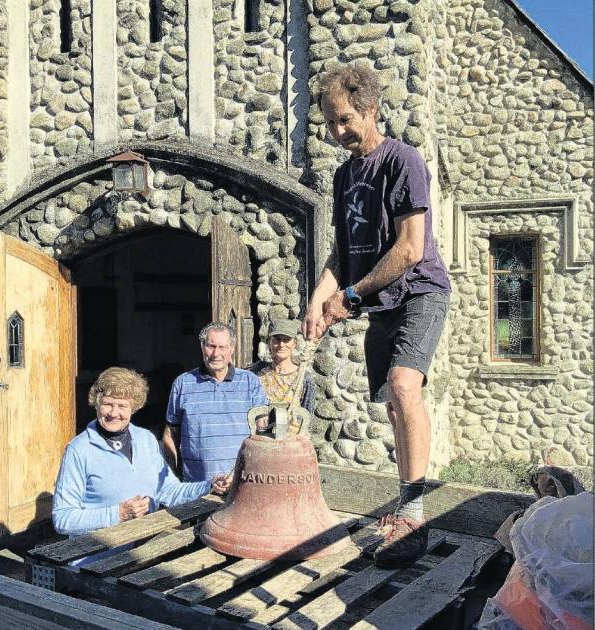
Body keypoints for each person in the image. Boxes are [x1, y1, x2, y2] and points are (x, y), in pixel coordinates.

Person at [303, 64, 451, 568]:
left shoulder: (403, 161)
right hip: (378, 302)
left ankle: (414, 514)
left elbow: (409, 250)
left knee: (406, 386)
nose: (336, 132)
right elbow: (341, 255)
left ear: (370, 109)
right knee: (392, 404)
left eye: (344, 120)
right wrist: (319, 297)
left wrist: (349, 297)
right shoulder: (345, 176)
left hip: (419, 292)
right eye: (329, 123)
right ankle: (403, 506)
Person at [53, 367, 231, 538]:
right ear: (96, 403)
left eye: (122, 406)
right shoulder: (79, 450)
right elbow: (63, 519)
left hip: (142, 552)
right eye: (107, 404)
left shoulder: (145, 439)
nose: (114, 413)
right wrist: (118, 514)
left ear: (134, 407)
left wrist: (209, 486)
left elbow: (169, 491)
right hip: (94, 559)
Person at [162, 321, 268, 482]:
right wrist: (173, 477)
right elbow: (171, 434)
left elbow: (262, 431)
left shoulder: (250, 382)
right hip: (196, 486)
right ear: (202, 347)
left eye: (223, 347)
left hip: (241, 483)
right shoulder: (183, 383)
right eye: (211, 346)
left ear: (232, 349)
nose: (216, 353)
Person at [249, 319, 316, 416]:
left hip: (293, 430)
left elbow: (307, 416)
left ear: (294, 344)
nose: (281, 345)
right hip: (262, 430)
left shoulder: (304, 378)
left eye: (286, 340)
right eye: (277, 339)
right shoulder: (257, 373)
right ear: (269, 343)